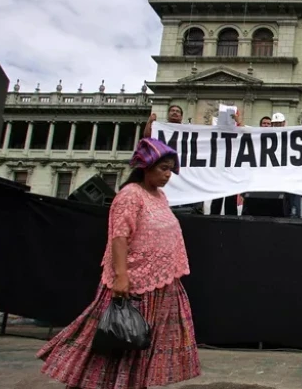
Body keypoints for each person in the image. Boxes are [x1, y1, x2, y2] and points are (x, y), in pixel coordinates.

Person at [37, 138, 201, 389]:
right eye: (163, 168)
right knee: (119, 339)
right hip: (134, 283)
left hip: (159, 283)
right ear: (145, 167)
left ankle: (134, 384)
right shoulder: (129, 195)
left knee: (140, 342)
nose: (168, 175)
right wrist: (122, 276)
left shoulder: (159, 196)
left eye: (170, 169)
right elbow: (119, 236)